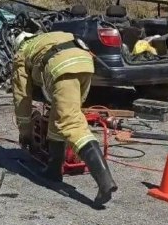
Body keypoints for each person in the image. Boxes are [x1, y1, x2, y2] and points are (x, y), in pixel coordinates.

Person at [12, 30, 117, 206]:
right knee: (59, 117)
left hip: (62, 67)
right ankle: (54, 170)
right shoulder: (45, 39)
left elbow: (22, 96)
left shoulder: (22, 52)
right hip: (85, 63)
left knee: (71, 123)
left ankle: (105, 182)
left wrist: (25, 131)